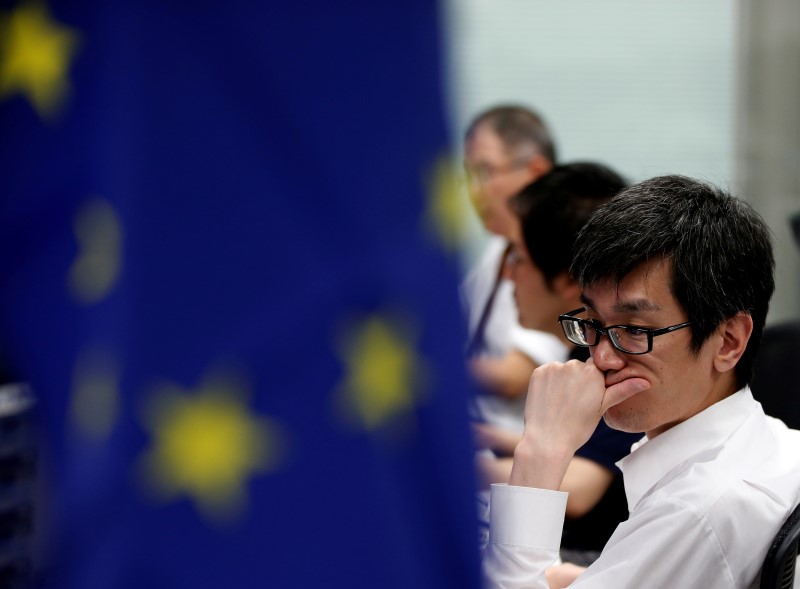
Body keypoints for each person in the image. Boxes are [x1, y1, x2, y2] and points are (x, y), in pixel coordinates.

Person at [483, 175, 800, 588]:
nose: (601, 356)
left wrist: (541, 451)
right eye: (594, 323)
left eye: (634, 329)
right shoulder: (777, 447)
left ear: (728, 341)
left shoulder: (700, 510)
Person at [473, 163, 640, 563]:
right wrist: (489, 437)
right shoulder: (583, 345)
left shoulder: (612, 357)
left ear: (568, 280)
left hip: (586, 557)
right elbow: (584, 447)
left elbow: (579, 483)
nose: (508, 273)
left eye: (519, 257)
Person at [461, 105, 563, 434]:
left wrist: (426, 372)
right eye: (467, 176)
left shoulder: (557, 254)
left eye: (485, 172)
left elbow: (513, 377)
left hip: (510, 447)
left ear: (536, 172)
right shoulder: (497, 249)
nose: (474, 192)